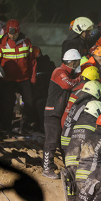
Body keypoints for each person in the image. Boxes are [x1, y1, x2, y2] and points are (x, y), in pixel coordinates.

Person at [0, 19, 37, 138]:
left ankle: (25, 126)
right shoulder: (2, 43)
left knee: (29, 102)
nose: (12, 36)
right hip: (8, 80)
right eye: (10, 33)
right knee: (6, 104)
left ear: (19, 32)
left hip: (24, 78)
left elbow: (32, 61)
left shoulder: (26, 42)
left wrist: (33, 78)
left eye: (15, 33)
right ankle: (5, 127)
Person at [42, 49, 82, 179]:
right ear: (73, 62)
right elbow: (67, 85)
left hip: (58, 112)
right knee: (51, 141)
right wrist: (81, 79)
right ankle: (47, 169)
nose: (79, 64)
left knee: (59, 140)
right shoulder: (59, 72)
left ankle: (51, 164)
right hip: (52, 112)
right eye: (78, 61)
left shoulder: (67, 73)